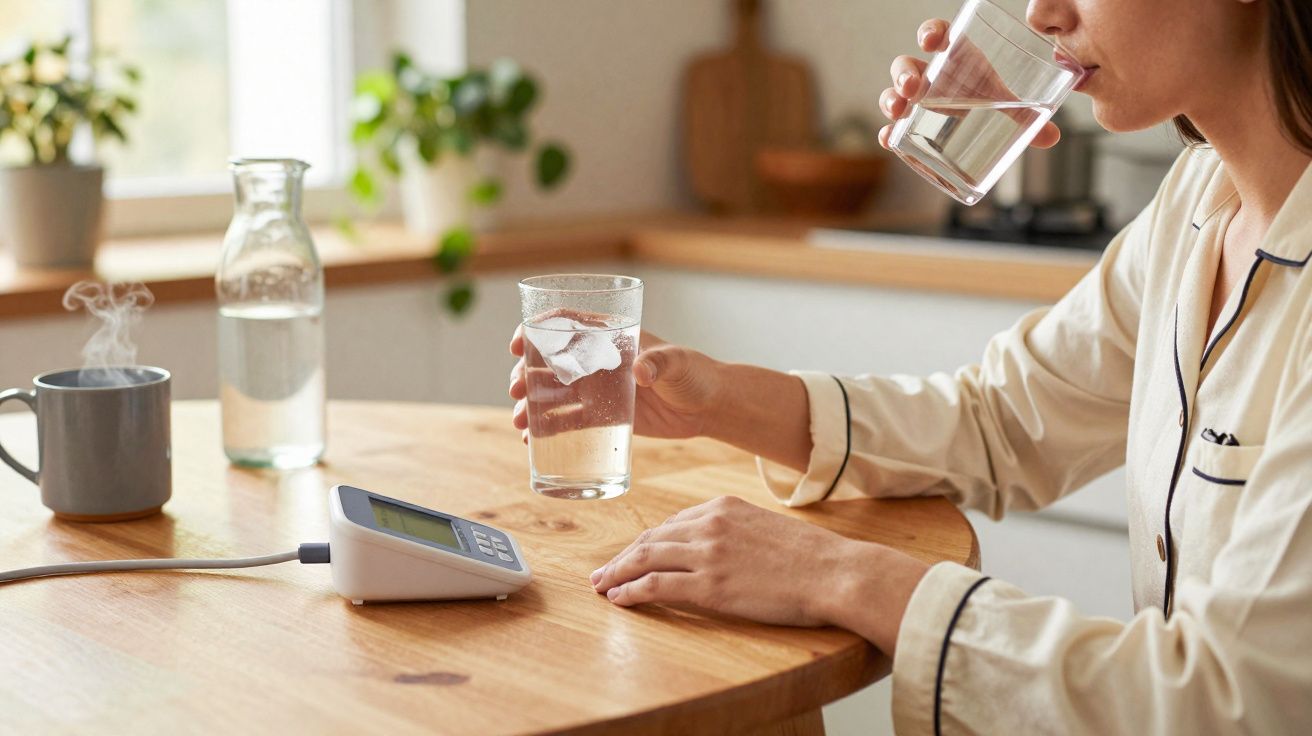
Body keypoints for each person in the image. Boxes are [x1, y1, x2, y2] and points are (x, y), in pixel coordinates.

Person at [509, 0, 1312, 732]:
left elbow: (1228, 697)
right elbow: (1002, 421)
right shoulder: (1197, 202)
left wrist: (840, 577)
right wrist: (715, 398)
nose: (1041, 13)